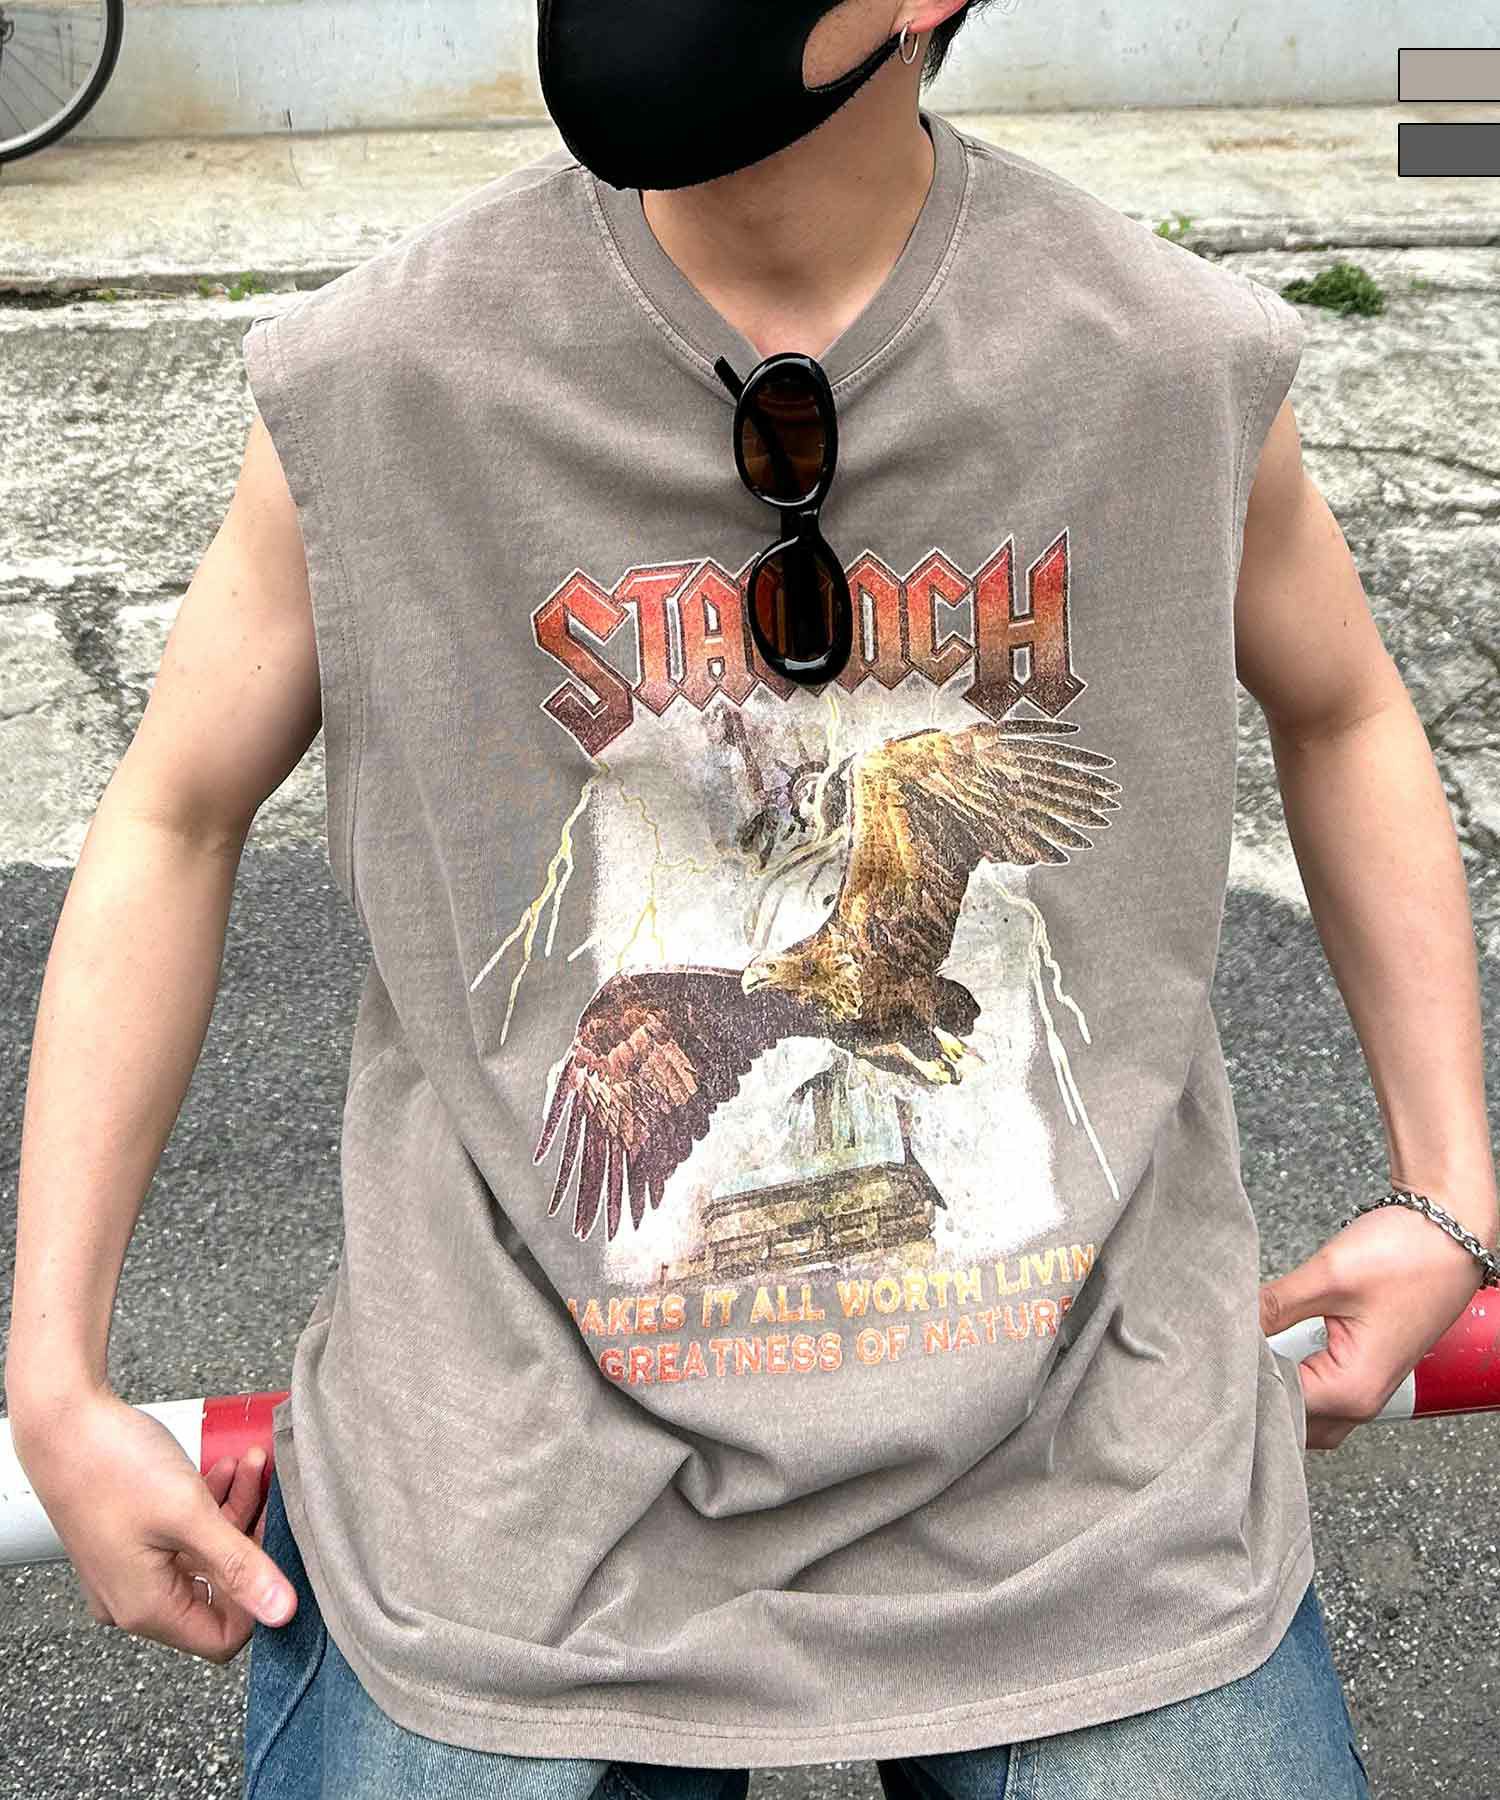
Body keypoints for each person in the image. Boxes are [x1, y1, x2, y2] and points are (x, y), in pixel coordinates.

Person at [7, 3, 1496, 1797]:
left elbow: (1344, 711)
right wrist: (54, 1377)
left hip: (1091, 1498)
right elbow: (173, 816)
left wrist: (1450, 1188)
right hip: (515, 1524)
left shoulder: (1161, 357)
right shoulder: (383, 378)